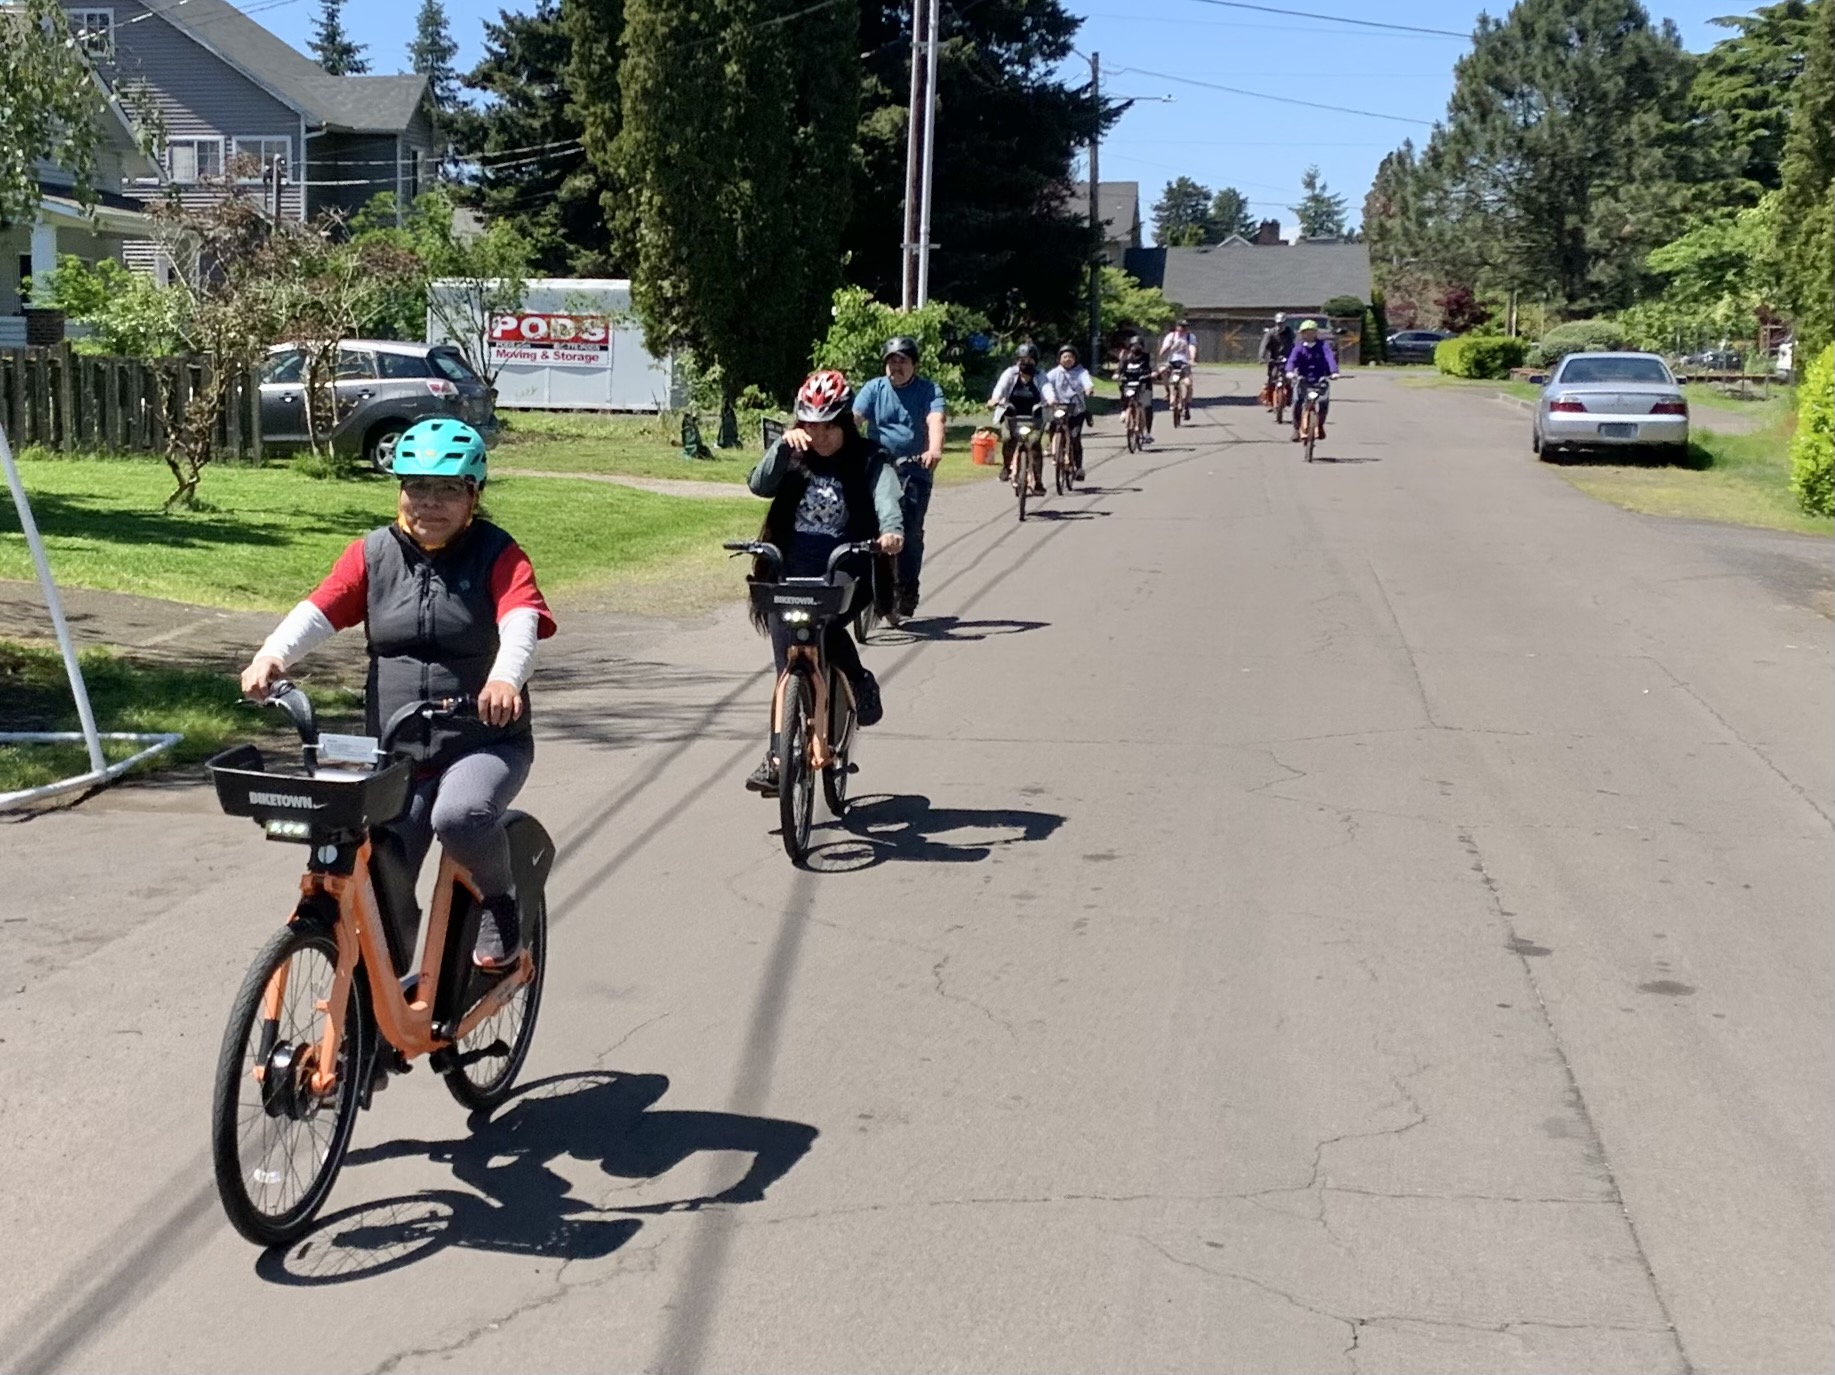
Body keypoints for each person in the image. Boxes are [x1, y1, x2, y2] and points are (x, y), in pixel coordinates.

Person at [239, 418, 556, 972]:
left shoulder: (498, 554)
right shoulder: (373, 554)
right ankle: (389, 1012)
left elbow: (521, 620)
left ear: (473, 495)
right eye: (416, 487)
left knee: (459, 815)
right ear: (399, 491)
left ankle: (500, 902)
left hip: (482, 742)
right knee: (379, 873)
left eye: (447, 489)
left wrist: (504, 680)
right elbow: (322, 607)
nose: (429, 503)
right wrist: (272, 655)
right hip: (396, 750)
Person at [744, 370, 905, 796]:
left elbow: (886, 497)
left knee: (827, 625)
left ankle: (858, 678)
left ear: (844, 422)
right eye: (809, 425)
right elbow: (759, 485)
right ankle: (779, 756)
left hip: (844, 565)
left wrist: (890, 531)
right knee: (786, 667)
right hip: (789, 568)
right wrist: (781, 446)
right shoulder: (793, 452)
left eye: (827, 425)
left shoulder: (868, 457)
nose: (818, 435)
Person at [851, 336, 945, 620]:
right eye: (892, 361)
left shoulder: (929, 389)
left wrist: (934, 450)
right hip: (878, 466)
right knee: (862, 527)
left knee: (911, 532)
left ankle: (908, 588)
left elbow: (935, 420)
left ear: (914, 364)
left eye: (902, 361)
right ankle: (863, 586)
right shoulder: (874, 389)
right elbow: (854, 418)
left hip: (914, 468)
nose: (897, 366)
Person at [988, 343, 1057, 492]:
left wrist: (1051, 399)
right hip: (1011, 414)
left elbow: (1047, 388)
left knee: (1034, 444)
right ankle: (1006, 467)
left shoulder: (1040, 375)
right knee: (1008, 440)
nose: (1025, 363)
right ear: (1017, 360)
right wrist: (995, 399)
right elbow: (1000, 387)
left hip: (1035, 416)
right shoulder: (1010, 373)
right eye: (1022, 359)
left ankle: (1038, 481)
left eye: (1029, 360)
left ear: (1035, 361)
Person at [1045, 344, 1096, 479]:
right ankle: (1052, 446)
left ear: (1075, 359)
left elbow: (1087, 381)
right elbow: (1044, 384)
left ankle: (1078, 467)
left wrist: (1088, 389)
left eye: (1070, 357)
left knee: (1075, 437)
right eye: (1065, 357)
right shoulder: (1054, 373)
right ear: (1059, 359)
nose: (1068, 359)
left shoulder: (1081, 372)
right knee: (1053, 426)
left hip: (1077, 411)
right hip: (1059, 408)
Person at [1285, 319, 1341, 441]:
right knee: (1297, 402)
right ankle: (1296, 429)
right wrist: (1289, 372)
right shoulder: (1299, 347)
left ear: (1316, 333)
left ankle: (1320, 426)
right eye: (1305, 332)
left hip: (1321, 378)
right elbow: (1292, 360)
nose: (1308, 335)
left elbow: (1330, 358)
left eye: (1311, 332)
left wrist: (1334, 372)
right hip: (1303, 379)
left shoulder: (1323, 346)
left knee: (1323, 402)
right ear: (1301, 334)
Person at [1117, 335, 1157, 441]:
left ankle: (1147, 432)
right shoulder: (1126, 357)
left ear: (1142, 346)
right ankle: (1124, 410)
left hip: (1144, 383)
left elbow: (1153, 366)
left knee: (1147, 407)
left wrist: (1153, 373)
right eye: (1133, 345)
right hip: (1129, 382)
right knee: (1124, 392)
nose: (1135, 348)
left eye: (1138, 345)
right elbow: (1120, 368)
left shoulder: (1147, 357)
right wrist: (1116, 374)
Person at [1159, 318, 1198, 412]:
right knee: (1163, 371)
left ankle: (1187, 402)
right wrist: (1167, 347)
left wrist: (1192, 359)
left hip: (1185, 362)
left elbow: (1192, 347)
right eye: (1181, 326)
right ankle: (1168, 392)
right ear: (1176, 327)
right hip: (1172, 361)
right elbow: (1162, 351)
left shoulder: (1190, 337)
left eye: (1185, 327)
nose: (1183, 329)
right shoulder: (1171, 336)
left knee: (1188, 383)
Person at [1258, 312, 1295, 398]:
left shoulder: (1290, 333)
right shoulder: (1270, 333)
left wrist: (1294, 358)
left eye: (1282, 323)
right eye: (1278, 323)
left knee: (1288, 378)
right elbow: (1263, 345)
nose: (1280, 325)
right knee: (1272, 377)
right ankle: (1270, 399)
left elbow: (1293, 346)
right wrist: (1261, 357)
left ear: (1285, 323)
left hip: (1287, 357)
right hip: (1273, 358)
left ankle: (1290, 397)